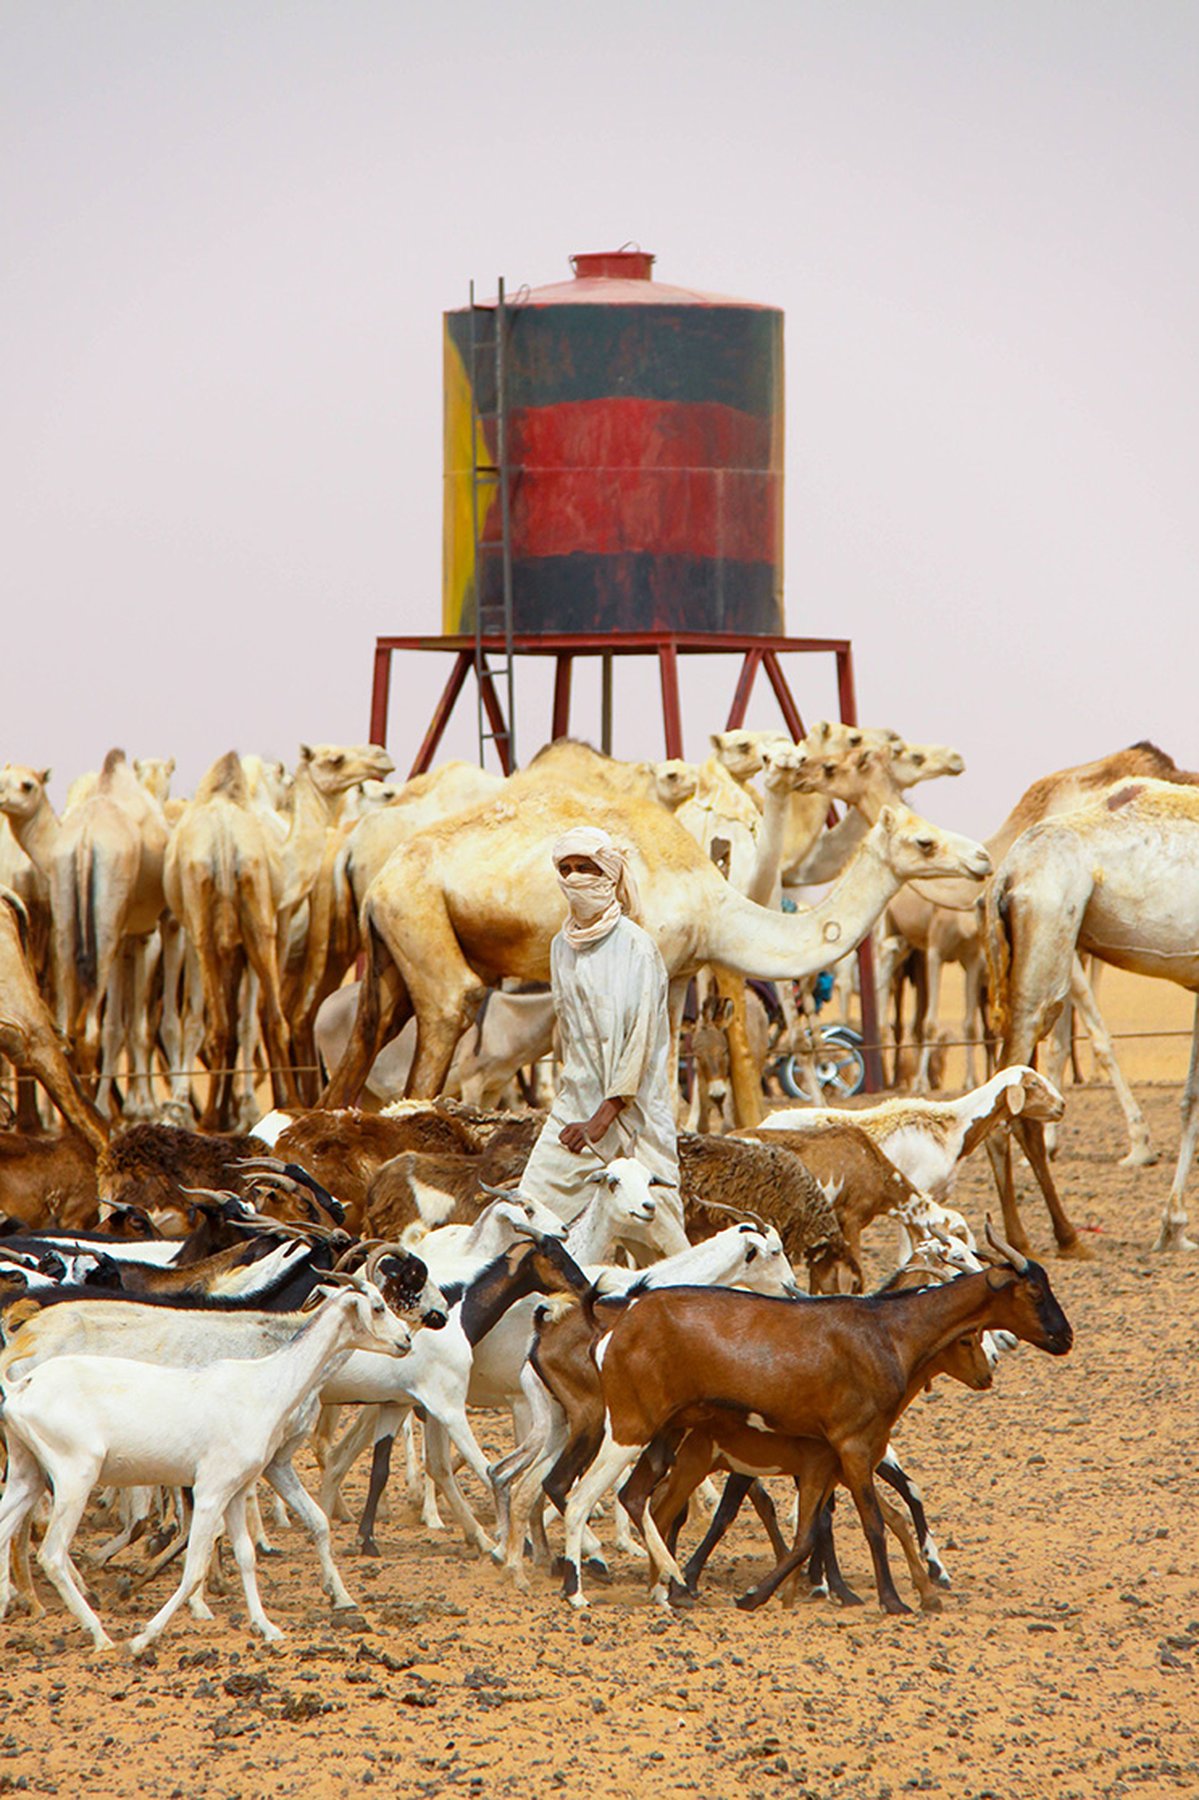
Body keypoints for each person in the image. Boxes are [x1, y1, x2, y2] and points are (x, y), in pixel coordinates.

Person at [518, 825, 679, 1221]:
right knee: (531, 1213)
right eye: (566, 869)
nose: (574, 878)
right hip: (575, 1107)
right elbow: (569, 1033)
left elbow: (639, 1041)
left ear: (609, 875)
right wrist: (583, 1112)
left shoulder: (636, 947)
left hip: (635, 1115)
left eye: (585, 868)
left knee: (656, 1232)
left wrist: (603, 1118)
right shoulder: (561, 947)